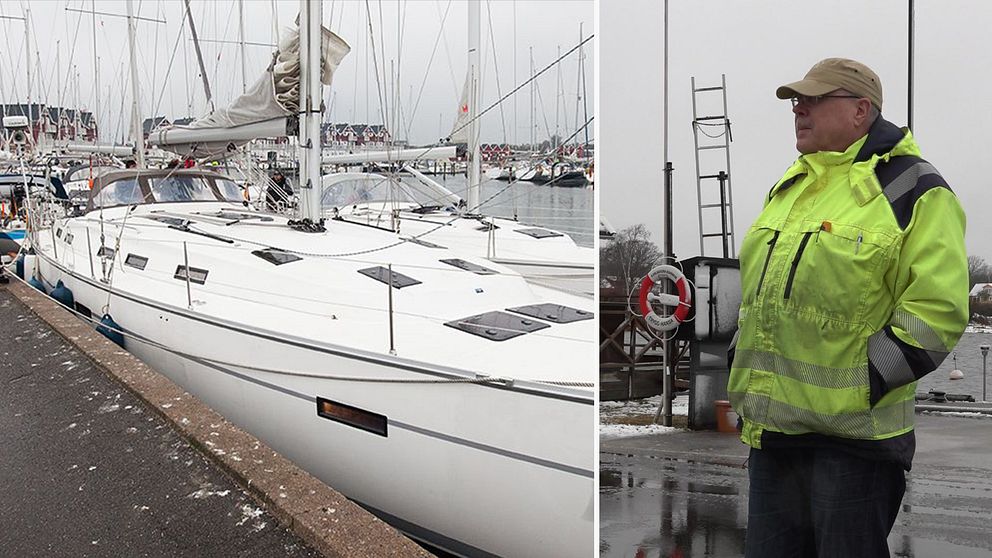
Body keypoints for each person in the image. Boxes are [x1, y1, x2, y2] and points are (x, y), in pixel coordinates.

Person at [728, 58, 968, 557]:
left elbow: (937, 311)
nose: (799, 109)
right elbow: (764, 295)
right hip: (775, 437)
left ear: (861, 110)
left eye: (814, 99)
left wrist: (867, 378)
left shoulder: (913, 188)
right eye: (797, 100)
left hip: (854, 444)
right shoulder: (793, 186)